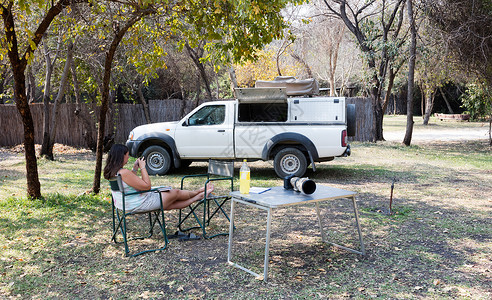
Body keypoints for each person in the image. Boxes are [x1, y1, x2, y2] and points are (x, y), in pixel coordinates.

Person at [103, 144, 212, 213]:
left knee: (169, 204)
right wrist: (143, 167)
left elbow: (129, 184)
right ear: (121, 156)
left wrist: (135, 168)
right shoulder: (124, 172)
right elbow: (146, 186)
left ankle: (199, 194)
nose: (128, 157)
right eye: (127, 155)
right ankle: (199, 193)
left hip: (126, 203)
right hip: (137, 204)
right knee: (175, 193)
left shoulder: (113, 172)